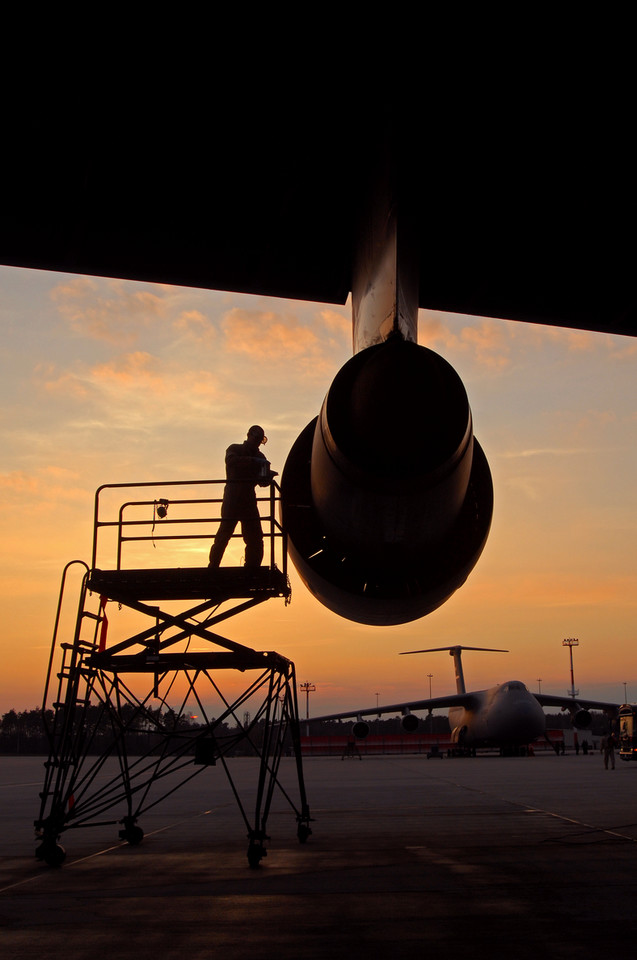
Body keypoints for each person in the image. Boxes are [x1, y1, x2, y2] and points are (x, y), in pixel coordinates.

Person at [209, 425, 277, 568]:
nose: (257, 443)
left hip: (248, 500)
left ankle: (252, 567)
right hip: (233, 498)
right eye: (256, 439)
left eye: (260, 440)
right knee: (224, 533)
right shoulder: (235, 449)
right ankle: (213, 565)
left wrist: (268, 477)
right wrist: (253, 461)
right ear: (249, 436)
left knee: (255, 537)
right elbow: (231, 461)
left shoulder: (260, 457)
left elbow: (261, 482)